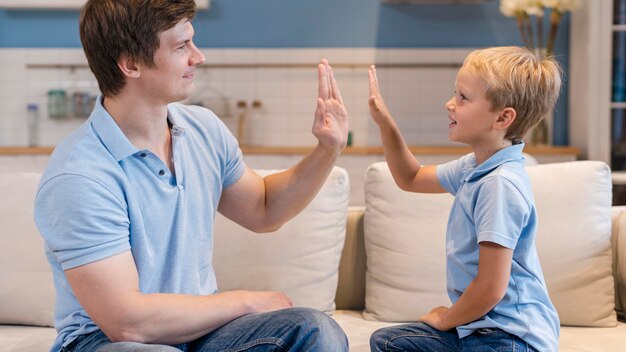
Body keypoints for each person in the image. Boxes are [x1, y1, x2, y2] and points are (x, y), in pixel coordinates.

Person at [34, 1, 349, 351]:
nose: (198, 57)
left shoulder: (203, 130)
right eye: (181, 46)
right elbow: (126, 322)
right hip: (107, 340)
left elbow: (263, 208)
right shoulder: (80, 176)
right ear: (131, 64)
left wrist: (326, 150)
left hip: (199, 332)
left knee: (314, 330)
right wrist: (245, 301)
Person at [367, 46, 561, 352]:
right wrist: (385, 123)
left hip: (511, 337)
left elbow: (490, 289)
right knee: (388, 342)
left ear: (503, 118)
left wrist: (446, 320)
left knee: (391, 344)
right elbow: (411, 178)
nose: (449, 104)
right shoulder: (475, 167)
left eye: (463, 98)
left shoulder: (499, 185)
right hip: (484, 329)